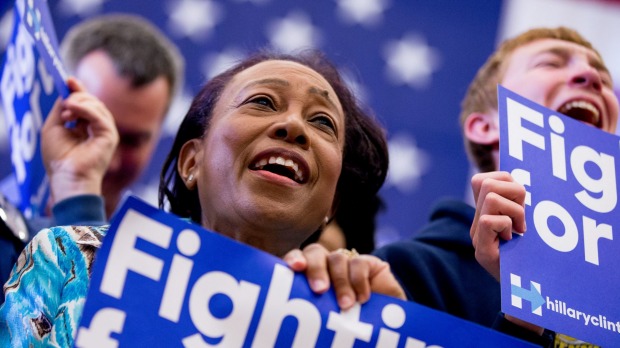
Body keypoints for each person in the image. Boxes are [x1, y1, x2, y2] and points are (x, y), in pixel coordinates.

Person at [0, 49, 405, 346]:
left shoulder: (352, 324)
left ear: (330, 207)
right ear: (191, 162)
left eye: (322, 122)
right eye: (262, 101)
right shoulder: (68, 259)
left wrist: (388, 331)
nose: (293, 126)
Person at [373, 26, 617, 346]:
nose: (591, 76)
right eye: (550, 63)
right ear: (485, 125)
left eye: (603, 76)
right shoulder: (409, 272)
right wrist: (526, 303)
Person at [0, 14, 183, 297]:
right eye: (89, 126)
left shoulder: (162, 264)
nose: (108, 158)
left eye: (132, 140)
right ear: (56, 104)